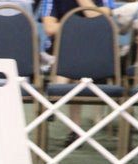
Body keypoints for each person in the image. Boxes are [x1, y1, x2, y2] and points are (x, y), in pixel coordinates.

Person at [41, 0, 113, 146]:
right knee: (70, 59)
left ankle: (55, 98)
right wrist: (80, 28)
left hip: (95, 51)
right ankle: (74, 129)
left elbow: (102, 18)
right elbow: (49, 28)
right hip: (63, 52)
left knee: (74, 63)